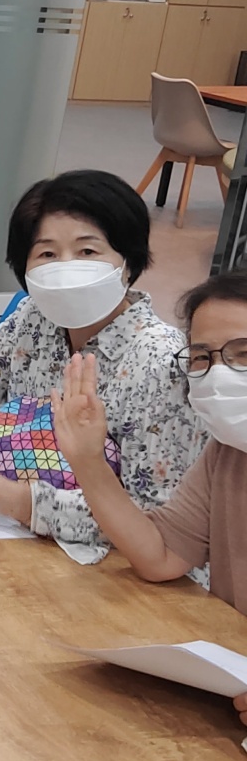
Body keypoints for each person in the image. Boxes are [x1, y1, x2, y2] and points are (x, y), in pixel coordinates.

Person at [0, 170, 206, 550]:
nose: (66, 267)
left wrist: (15, 501)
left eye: (88, 252)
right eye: (47, 254)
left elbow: (157, 521)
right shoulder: (32, 319)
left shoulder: (162, 364)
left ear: (129, 263)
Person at [54, 270, 247, 728]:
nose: (219, 373)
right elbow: (161, 555)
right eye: (202, 357)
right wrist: (88, 460)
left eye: (243, 354)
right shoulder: (227, 453)